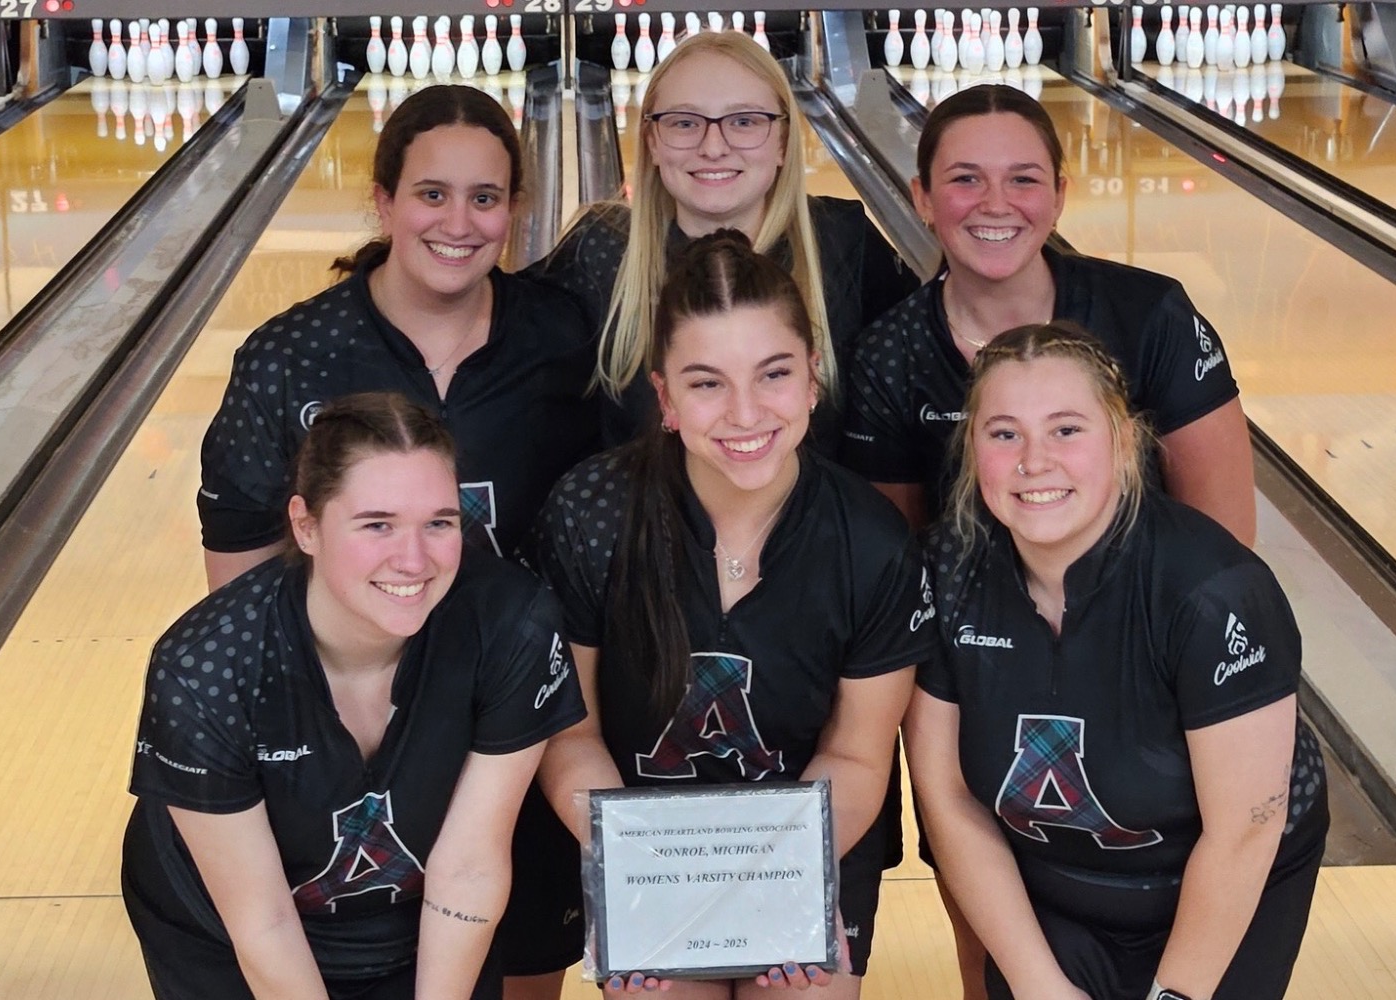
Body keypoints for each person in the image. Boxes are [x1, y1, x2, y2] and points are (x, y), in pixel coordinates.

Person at [528, 231, 932, 999]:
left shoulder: (870, 541)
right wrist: (649, 872)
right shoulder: (590, 514)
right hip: (641, 850)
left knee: (805, 990)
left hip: (810, 854)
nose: (746, 413)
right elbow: (569, 736)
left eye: (774, 374)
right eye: (707, 383)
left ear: (813, 379)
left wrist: (770, 887)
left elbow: (855, 758)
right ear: (666, 399)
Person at [904, 322, 1328, 1000]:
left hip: (1227, 875)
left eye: (1067, 430)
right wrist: (1039, 983)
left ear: (1124, 441)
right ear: (972, 447)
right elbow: (949, 801)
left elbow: (1243, 833)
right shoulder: (944, 575)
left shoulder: (1212, 591)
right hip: (1054, 886)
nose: (1034, 460)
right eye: (1004, 433)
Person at [123, 392, 587, 1000]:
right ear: (306, 526)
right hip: (227, 937)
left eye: (440, 523)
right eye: (377, 525)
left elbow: (470, 865)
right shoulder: (204, 668)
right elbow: (262, 922)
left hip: (418, 925)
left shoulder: (512, 624)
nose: (413, 559)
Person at [199, 83, 599, 590]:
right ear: (384, 202)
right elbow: (239, 594)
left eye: (484, 198)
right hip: (345, 668)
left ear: (512, 209)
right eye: (432, 194)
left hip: (523, 664)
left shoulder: (566, 341)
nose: (458, 223)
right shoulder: (287, 358)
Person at [844, 85, 1255, 545]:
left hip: (1149, 609)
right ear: (922, 198)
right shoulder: (888, 355)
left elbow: (1225, 546)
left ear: (1059, 196)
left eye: (1023, 179)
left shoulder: (1149, 315)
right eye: (965, 179)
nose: (996, 204)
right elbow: (898, 561)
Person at [531, 31, 919, 455]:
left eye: (744, 121)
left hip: (815, 520)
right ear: (652, 143)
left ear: (783, 144)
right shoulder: (600, 251)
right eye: (684, 123)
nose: (713, 147)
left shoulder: (842, 241)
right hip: (637, 518)